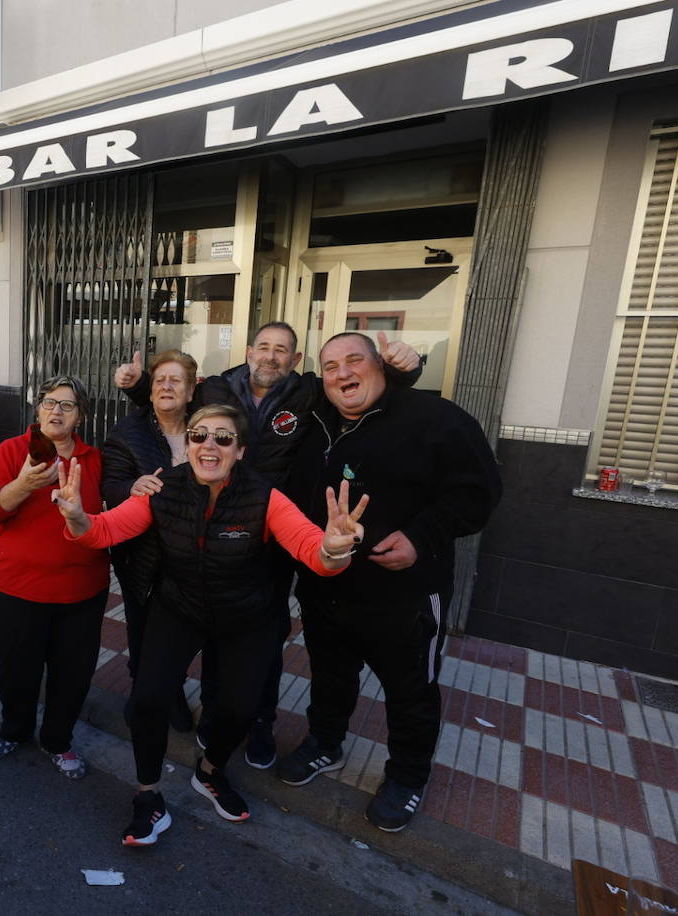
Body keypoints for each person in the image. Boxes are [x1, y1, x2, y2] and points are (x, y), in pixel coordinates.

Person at [53, 403, 365, 846]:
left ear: (239, 450)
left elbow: (310, 548)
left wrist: (334, 549)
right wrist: (77, 517)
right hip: (179, 608)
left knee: (239, 709)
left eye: (223, 437)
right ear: (189, 444)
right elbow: (105, 530)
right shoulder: (164, 488)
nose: (209, 445)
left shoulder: (265, 496)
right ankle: (148, 796)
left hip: (247, 616)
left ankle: (211, 771)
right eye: (199, 435)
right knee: (147, 699)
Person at [113, 323, 421, 766]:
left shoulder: (309, 393)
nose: (271, 357)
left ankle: (260, 721)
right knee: (214, 626)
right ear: (248, 351)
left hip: (274, 532)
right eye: (264, 348)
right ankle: (218, 714)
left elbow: (359, 390)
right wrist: (138, 384)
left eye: (282, 351)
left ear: (296, 360)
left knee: (263, 634)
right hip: (217, 524)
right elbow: (169, 401)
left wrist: (404, 370)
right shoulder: (216, 387)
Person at [277, 332, 501, 832]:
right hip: (326, 585)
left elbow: (479, 493)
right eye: (330, 366)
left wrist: (422, 537)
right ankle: (325, 743)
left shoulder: (435, 420)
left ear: (382, 366)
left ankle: (407, 776)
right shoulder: (314, 418)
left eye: (355, 360)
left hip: (402, 594)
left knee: (410, 690)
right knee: (330, 674)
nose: (342, 374)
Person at [0, 375, 108, 781]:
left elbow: (113, 512)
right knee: (16, 668)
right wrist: (22, 485)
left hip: (82, 590)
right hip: (19, 588)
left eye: (67, 405)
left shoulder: (94, 458)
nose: (56, 411)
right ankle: (14, 730)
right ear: (37, 409)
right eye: (49, 403)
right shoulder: (13, 450)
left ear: (80, 414)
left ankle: (57, 740)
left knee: (73, 674)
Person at [101, 349, 198, 732]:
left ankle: (171, 690)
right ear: (150, 389)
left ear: (192, 391)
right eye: (159, 380)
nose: (167, 386)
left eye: (176, 380)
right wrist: (130, 486)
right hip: (141, 554)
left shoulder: (207, 427)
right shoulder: (129, 431)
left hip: (192, 555)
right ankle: (143, 696)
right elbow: (108, 484)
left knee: (180, 632)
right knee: (143, 629)